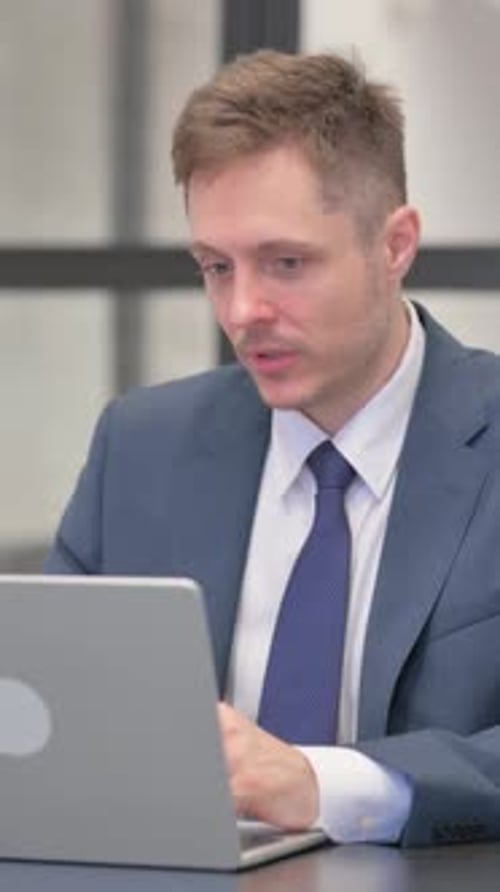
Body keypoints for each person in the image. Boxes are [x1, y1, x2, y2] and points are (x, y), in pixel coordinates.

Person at [45, 49, 500, 847]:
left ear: (395, 245)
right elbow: (53, 720)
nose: (243, 309)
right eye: (216, 268)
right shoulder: (141, 448)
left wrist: (324, 784)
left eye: (286, 263)